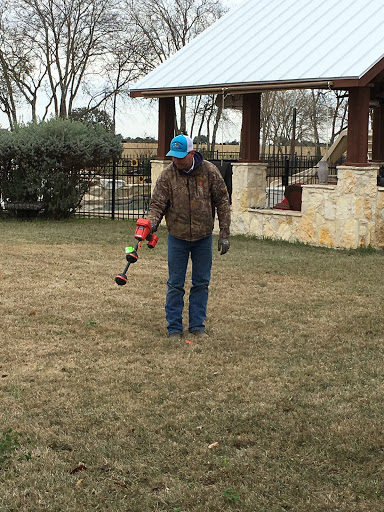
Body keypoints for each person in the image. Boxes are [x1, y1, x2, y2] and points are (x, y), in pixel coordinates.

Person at [147, 134, 231, 339]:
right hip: (178, 237)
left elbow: (223, 202)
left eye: (180, 156)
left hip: (203, 238)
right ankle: (174, 328)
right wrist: (150, 225)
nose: (175, 160)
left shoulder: (210, 172)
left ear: (192, 153)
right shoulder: (167, 175)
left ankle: (197, 326)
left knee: (201, 283)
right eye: (173, 156)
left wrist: (224, 233)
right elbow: (157, 204)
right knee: (175, 283)